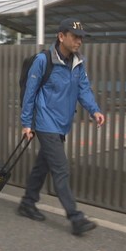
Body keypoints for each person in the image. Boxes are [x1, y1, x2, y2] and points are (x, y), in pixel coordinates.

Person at [18, 17, 106, 236]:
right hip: (45, 121)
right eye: (75, 37)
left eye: (81, 38)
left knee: (43, 166)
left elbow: (83, 89)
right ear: (61, 36)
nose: (79, 41)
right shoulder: (43, 60)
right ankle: (75, 218)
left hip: (62, 123)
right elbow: (30, 93)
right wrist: (26, 123)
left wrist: (94, 110)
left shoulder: (78, 63)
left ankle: (27, 203)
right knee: (61, 168)